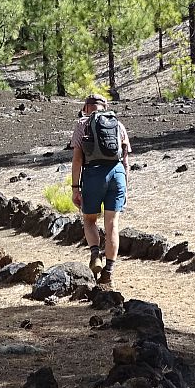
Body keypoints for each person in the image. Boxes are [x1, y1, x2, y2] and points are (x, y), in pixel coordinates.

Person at [70, 94, 130, 285]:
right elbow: (126, 161)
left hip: (94, 174)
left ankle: (95, 254)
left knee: (89, 220)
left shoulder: (83, 124)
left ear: (86, 108)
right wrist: (125, 186)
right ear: (105, 107)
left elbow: (77, 159)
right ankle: (108, 273)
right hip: (117, 174)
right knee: (112, 224)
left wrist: (75, 188)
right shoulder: (118, 124)